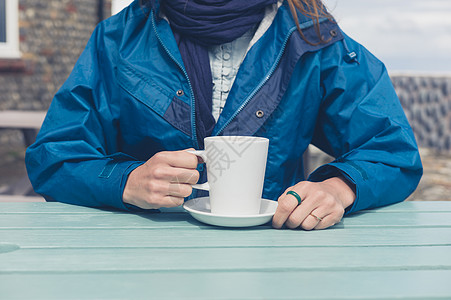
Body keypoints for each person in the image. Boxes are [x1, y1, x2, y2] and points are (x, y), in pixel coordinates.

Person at [26, 0, 422, 230]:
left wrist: (338, 188)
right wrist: (126, 181)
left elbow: (392, 150)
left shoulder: (315, 38)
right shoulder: (116, 39)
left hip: (275, 258)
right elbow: (54, 156)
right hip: (140, 260)